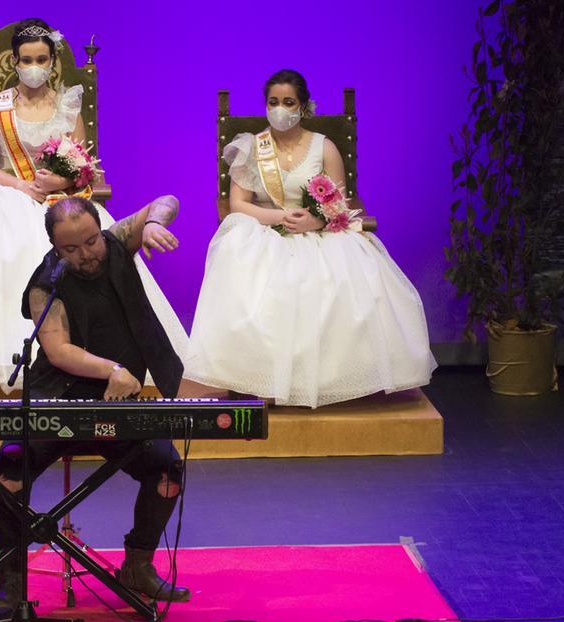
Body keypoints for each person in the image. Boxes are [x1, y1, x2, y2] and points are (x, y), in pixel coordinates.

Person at [0, 18, 188, 391]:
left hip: (63, 202)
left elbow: (85, 165)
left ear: (53, 61)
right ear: (15, 62)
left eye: (41, 59)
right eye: (26, 60)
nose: (34, 67)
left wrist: (61, 181)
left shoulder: (68, 106)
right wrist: (20, 184)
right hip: (9, 193)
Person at [0, 195, 190, 622]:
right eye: (71, 249)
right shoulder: (47, 284)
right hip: (58, 399)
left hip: (116, 403)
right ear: (55, 248)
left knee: (167, 470)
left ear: (102, 230)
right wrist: (111, 368)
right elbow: (58, 350)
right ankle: (9, 578)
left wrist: (152, 223)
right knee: (9, 468)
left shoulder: (117, 243)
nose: (86, 255)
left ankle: (137, 566)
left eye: (91, 242)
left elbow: (166, 200)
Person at [183, 69, 436, 408]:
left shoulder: (324, 147)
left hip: (318, 232)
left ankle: (334, 379)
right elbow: (238, 204)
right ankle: (257, 376)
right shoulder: (251, 147)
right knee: (244, 264)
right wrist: (280, 217)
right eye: (273, 102)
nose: (280, 109)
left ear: (303, 107)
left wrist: (315, 220)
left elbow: (341, 202)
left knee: (348, 279)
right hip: (265, 230)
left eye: (288, 102)